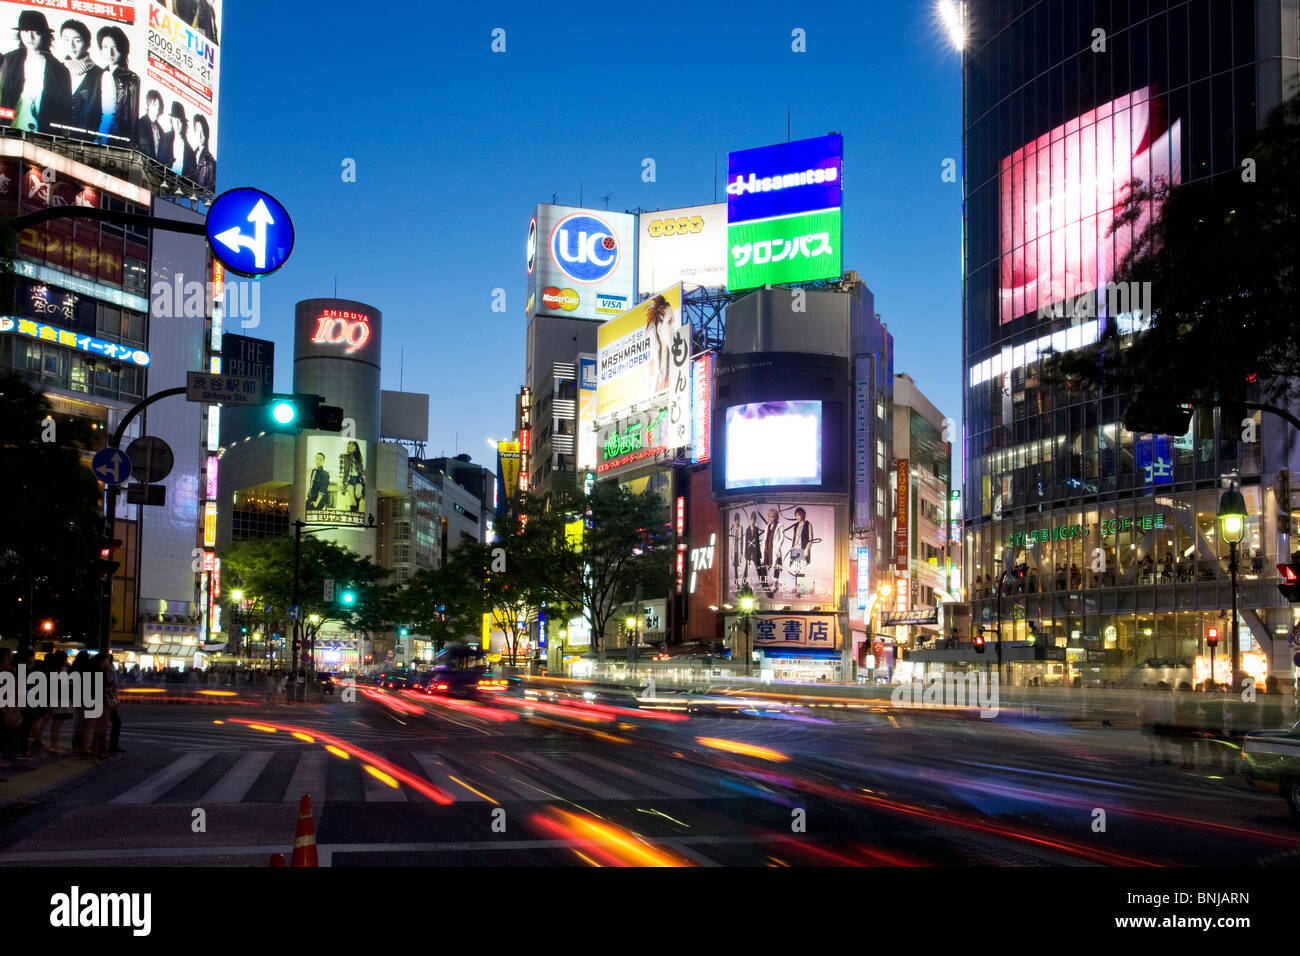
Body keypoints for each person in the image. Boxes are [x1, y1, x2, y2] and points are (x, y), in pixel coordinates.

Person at [1, 10, 72, 134]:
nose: (30, 37)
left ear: (45, 35)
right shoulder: (7, 61)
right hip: (7, 130)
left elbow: (64, 112)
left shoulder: (60, 71)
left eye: (36, 32)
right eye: (26, 31)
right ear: (20, 33)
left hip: (43, 136)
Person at [93, 25, 137, 146]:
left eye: (115, 47)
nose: (110, 53)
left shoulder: (131, 79)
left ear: (123, 49)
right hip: (96, 135)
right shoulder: (98, 75)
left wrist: (131, 145)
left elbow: (133, 116)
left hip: (117, 140)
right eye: (105, 47)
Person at [59, 19, 100, 138]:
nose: (71, 45)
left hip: (88, 141)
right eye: (66, 40)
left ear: (88, 44)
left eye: (77, 40)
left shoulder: (100, 75)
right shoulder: (55, 70)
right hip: (55, 137)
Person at [160, 101, 195, 179]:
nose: (177, 123)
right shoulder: (164, 138)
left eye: (180, 119)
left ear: (184, 123)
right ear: (171, 120)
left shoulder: (190, 152)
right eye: (175, 118)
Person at [134, 89, 165, 162]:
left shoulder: (160, 130)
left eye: (159, 105)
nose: (157, 108)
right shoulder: (140, 124)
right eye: (154, 105)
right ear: (148, 105)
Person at [340, 441, 365, 512]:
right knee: (352, 499)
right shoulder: (343, 456)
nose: (350, 447)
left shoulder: (358, 459)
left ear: (356, 448)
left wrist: (364, 478)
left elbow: (362, 471)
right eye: (349, 445)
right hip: (349, 479)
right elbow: (341, 470)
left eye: (353, 445)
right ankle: (354, 512)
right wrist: (341, 482)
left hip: (358, 479)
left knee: (358, 494)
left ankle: (357, 504)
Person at [192, 113, 215, 189]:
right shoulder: (190, 154)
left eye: (202, 131)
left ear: (206, 134)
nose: (200, 135)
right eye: (198, 130)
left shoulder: (210, 162)